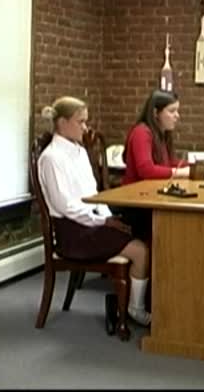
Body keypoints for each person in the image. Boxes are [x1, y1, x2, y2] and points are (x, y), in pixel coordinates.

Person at [37, 96, 151, 326]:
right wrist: (102, 222)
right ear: (63, 123)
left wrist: (108, 217)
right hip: (73, 233)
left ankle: (137, 301)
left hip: (90, 223)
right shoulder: (51, 158)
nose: (85, 127)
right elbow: (65, 206)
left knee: (139, 230)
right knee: (140, 251)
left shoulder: (79, 152)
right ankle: (135, 309)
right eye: (80, 122)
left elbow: (93, 194)